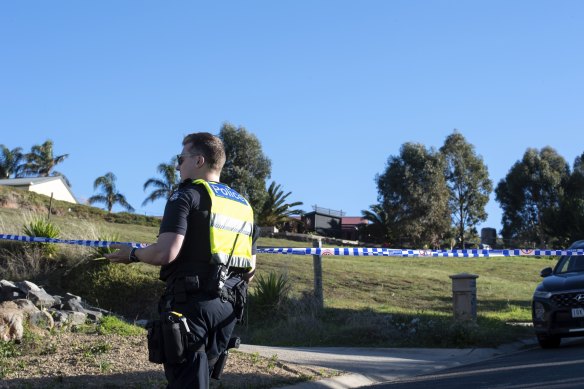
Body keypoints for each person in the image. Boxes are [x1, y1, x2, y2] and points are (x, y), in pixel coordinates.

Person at [106, 132, 257, 388]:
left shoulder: (185, 196)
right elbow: (250, 269)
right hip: (228, 312)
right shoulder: (243, 205)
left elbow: (165, 253)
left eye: (181, 158)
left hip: (191, 305)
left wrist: (132, 254)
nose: (177, 165)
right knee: (201, 380)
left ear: (199, 161)